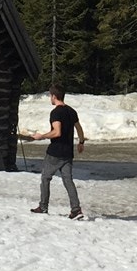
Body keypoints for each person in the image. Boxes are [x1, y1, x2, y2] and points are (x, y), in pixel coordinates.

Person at [31, 83, 85, 219]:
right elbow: (79, 128)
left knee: (45, 178)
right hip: (68, 152)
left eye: (50, 95)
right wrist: (81, 142)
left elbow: (57, 132)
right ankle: (76, 209)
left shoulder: (56, 112)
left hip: (55, 152)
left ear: (54, 96)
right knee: (68, 181)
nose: (50, 98)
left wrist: (41, 136)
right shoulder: (71, 111)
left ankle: (43, 206)